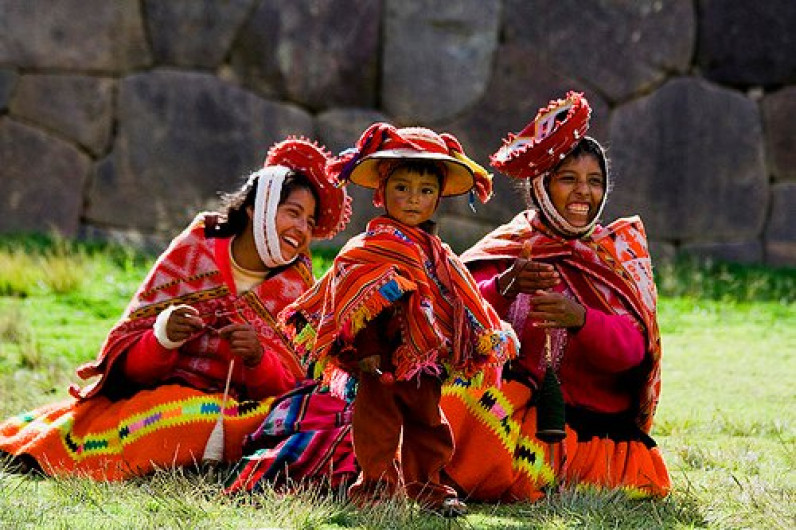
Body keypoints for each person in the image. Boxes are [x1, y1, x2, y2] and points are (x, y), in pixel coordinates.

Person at [0, 138, 351, 480]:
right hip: (164, 395)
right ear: (256, 207)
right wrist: (163, 337)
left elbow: (295, 383)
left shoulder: (299, 286)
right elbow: (126, 365)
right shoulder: (196, 245)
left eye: (309, 221)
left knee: (292, 418)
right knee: (179, 418)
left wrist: (258, 359)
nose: (302, 229)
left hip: (247, 406)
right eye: (293, 213)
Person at [274, 123, 517, 516]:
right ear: (381, 191)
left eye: (425, 191)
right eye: (402, 188)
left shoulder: (440, 256)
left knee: (429, 426)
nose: (412, 200)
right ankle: (375, 492)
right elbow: (354, 298)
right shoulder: (366, 248)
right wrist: (367, 349)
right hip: (378, 363)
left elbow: (457, 299)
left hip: (424, 361)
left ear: (438, 198)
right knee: (377, 430)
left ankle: (430, 490)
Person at [440, 92, 670, 502]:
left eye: (594, 181)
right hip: (513, 403)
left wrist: (580, 319)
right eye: (568, 179)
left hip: (587, 422)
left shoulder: (613, 256)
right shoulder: (512, 246)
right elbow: (453, 317)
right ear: (542, 185)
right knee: (448, 403)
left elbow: (635, 351)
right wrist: (507, 285)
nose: (583, 193)